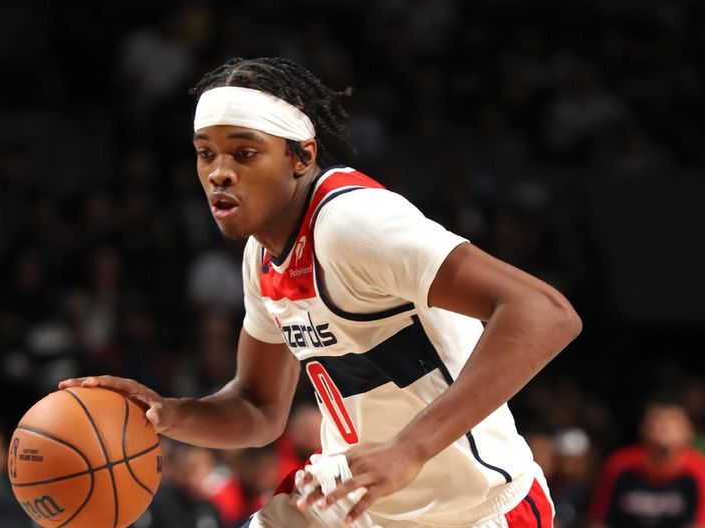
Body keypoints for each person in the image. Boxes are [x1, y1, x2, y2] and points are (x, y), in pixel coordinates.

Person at [60, 56, 582, 527]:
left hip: (472, 509)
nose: (219, 172)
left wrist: (410, 448)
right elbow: (258, 408)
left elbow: (544, 312)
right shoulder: (261, 256)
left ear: (301, 156)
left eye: (244, 153)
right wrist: (170, 414)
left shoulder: (355, 222)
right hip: (351, 499)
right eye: (205, 154)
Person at [587, 392, 705, 528]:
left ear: (689, 430)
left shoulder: (699, 470)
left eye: (672, 421)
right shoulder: (619, 465)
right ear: (643, 428)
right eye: (657, 420)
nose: (664, 428)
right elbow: (597, 519)